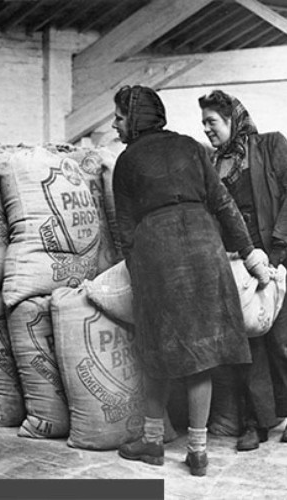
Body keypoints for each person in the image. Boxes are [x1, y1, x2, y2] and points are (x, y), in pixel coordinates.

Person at [111, 85, 270, 477]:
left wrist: (138, 272)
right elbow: (223, 203)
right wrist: (250, 254)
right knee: (202, 352)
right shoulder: (190, 147)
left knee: (156, 347)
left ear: (134, 118)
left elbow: (125, 229)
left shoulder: (127, 161)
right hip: (204, 247)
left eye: (119, 116)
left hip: (157, 250)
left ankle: (152, 443)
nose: (115, 124)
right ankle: (198, 451)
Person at [198, 89, 287, 451]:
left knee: (282, 340)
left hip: (277, 255)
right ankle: (258, 422)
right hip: (238, 261)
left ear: (232, 118)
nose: (206, 129)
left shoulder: (270, 146)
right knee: (250, 342)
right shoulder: (214, 163)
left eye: (211, 121)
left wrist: (278, 249)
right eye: (203, 123)